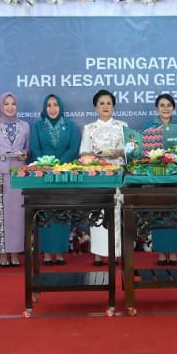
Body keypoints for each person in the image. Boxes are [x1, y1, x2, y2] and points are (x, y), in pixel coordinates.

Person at [29, 94, 80, 265]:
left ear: (61, 107)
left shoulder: (70, 126)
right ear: (44, 108)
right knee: (45, 213)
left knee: (61, 212)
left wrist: (59, 164)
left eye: (55, 105)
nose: (52, 109)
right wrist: (47, 164)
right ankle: (47, 253)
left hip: (64, 174)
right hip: (44, 175)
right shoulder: (38, 127)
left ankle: (59, 252)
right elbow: (35, 149)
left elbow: (73, 148)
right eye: (49, 105)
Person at [80, 89, 128, 265]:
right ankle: (99, 253)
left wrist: (118, 152)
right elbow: (83, 153)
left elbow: (130, 151)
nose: (105, 106)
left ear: (113, 106)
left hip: (117, 174)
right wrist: (94, 156)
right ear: (95, 107)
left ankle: (117, 252)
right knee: (98, 213)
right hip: (97, 175)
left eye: (109, 103)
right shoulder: (89, 128)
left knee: (117, 212)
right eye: (102, 103)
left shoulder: (122, 126)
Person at [0, 92, 30, 267]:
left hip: (18, 177)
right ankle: (2, 253)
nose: (10, 107)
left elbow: (27, 149)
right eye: (6, 104)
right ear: (0, 106)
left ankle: (15, 252)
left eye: (13, 104)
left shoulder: (24, 126)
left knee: (16, 217)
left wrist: (25, 154)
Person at [143, 93, 177, 266]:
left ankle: (173, 252)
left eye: (168, 105)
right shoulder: (149, 128)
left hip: (176, 176)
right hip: (157, 176)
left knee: (175, 212)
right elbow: (144, 153)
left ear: (173, 108)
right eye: (162, 105)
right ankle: (160, 252)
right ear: (156, 109)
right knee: (158, 212)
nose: (165, 108)